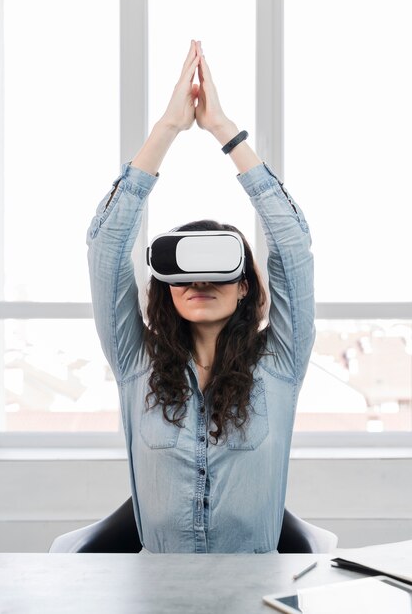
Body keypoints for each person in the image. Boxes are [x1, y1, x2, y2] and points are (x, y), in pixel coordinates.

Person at [86, 40, 315, 553]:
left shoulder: (279, 363)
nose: (200, 282)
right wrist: (167, 129)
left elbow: (292, 247)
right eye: (185, 272)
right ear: (166, 288)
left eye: (217, 269)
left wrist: (225, 133)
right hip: (158, 589)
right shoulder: (135, 361)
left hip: (256, 588)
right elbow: (105, 251)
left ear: (244, 286)